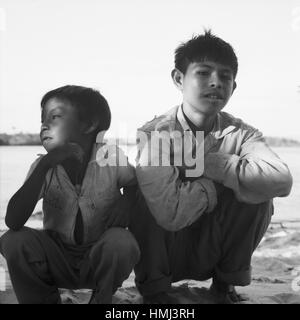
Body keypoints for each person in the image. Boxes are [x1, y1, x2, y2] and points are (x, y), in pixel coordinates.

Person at [130, 30, 293, 304]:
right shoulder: (154, 134)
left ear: (234, 86)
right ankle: (155, 293)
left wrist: (210, 164)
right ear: (179, 79)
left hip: (215, 249)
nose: (216, 82)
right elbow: (169, 215)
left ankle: (224, 286)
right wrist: (216, 185)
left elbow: (282, 180)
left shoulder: (242, 133)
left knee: (260, 193)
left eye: (225, 76)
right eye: (203, 73)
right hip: (168, 250)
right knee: (140, 196)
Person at [0, 85, 140, 304]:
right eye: (42, 120)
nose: (44, 126)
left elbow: (135, 183)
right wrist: (45, 164)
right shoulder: (43, 167)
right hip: (56, 259)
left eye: (54, 117)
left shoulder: (110, 158)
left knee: (122, 241)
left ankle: (101, 300)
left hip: (97, 260)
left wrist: (127, 201)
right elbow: (13, 220)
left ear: (89, 125)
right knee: (13, 240)